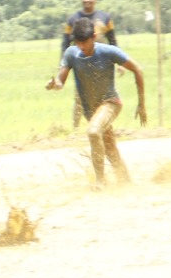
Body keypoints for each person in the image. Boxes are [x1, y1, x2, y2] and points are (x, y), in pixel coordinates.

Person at [46, 18, 147, 185]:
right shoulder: (71, 54)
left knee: (93, 131)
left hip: (111, 103)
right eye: (78, 43)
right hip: (91, 110)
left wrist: (141, 104)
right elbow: (60, 82)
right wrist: (53, 85)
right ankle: (126, 182)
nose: (82, 47)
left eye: (85, 42)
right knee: (110, 149)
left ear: (93, 37)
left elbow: (138, 69)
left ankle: (100, 182)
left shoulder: (108, 52)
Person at [60, 0, 118, 127]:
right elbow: (65, 42)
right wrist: (62, 65)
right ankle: (76, 128)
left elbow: (112, 40)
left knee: (105, 95)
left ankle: (103, 125)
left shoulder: (105, 18)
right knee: (80, 95)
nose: (87, 0)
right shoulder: (73, 20)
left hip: (102, 63)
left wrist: (118, 63)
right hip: (81, 63)